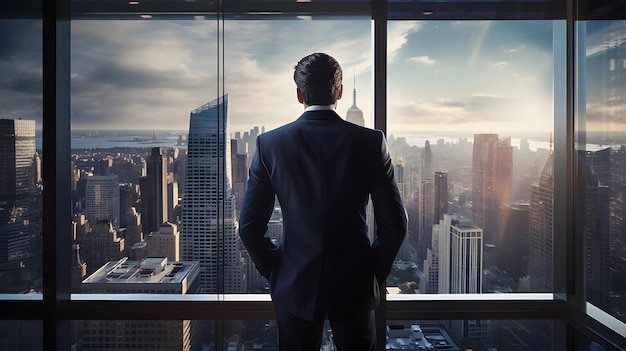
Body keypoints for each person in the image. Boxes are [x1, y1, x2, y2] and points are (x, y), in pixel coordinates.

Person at [238, 52, 407, 351]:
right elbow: (395, 226)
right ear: (339, 91)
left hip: (295, 286)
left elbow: (250, 227)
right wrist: (369, 274)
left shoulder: (269, 145)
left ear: (299, 94)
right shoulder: (371, 142)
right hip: (355, 286)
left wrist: (281, 270)